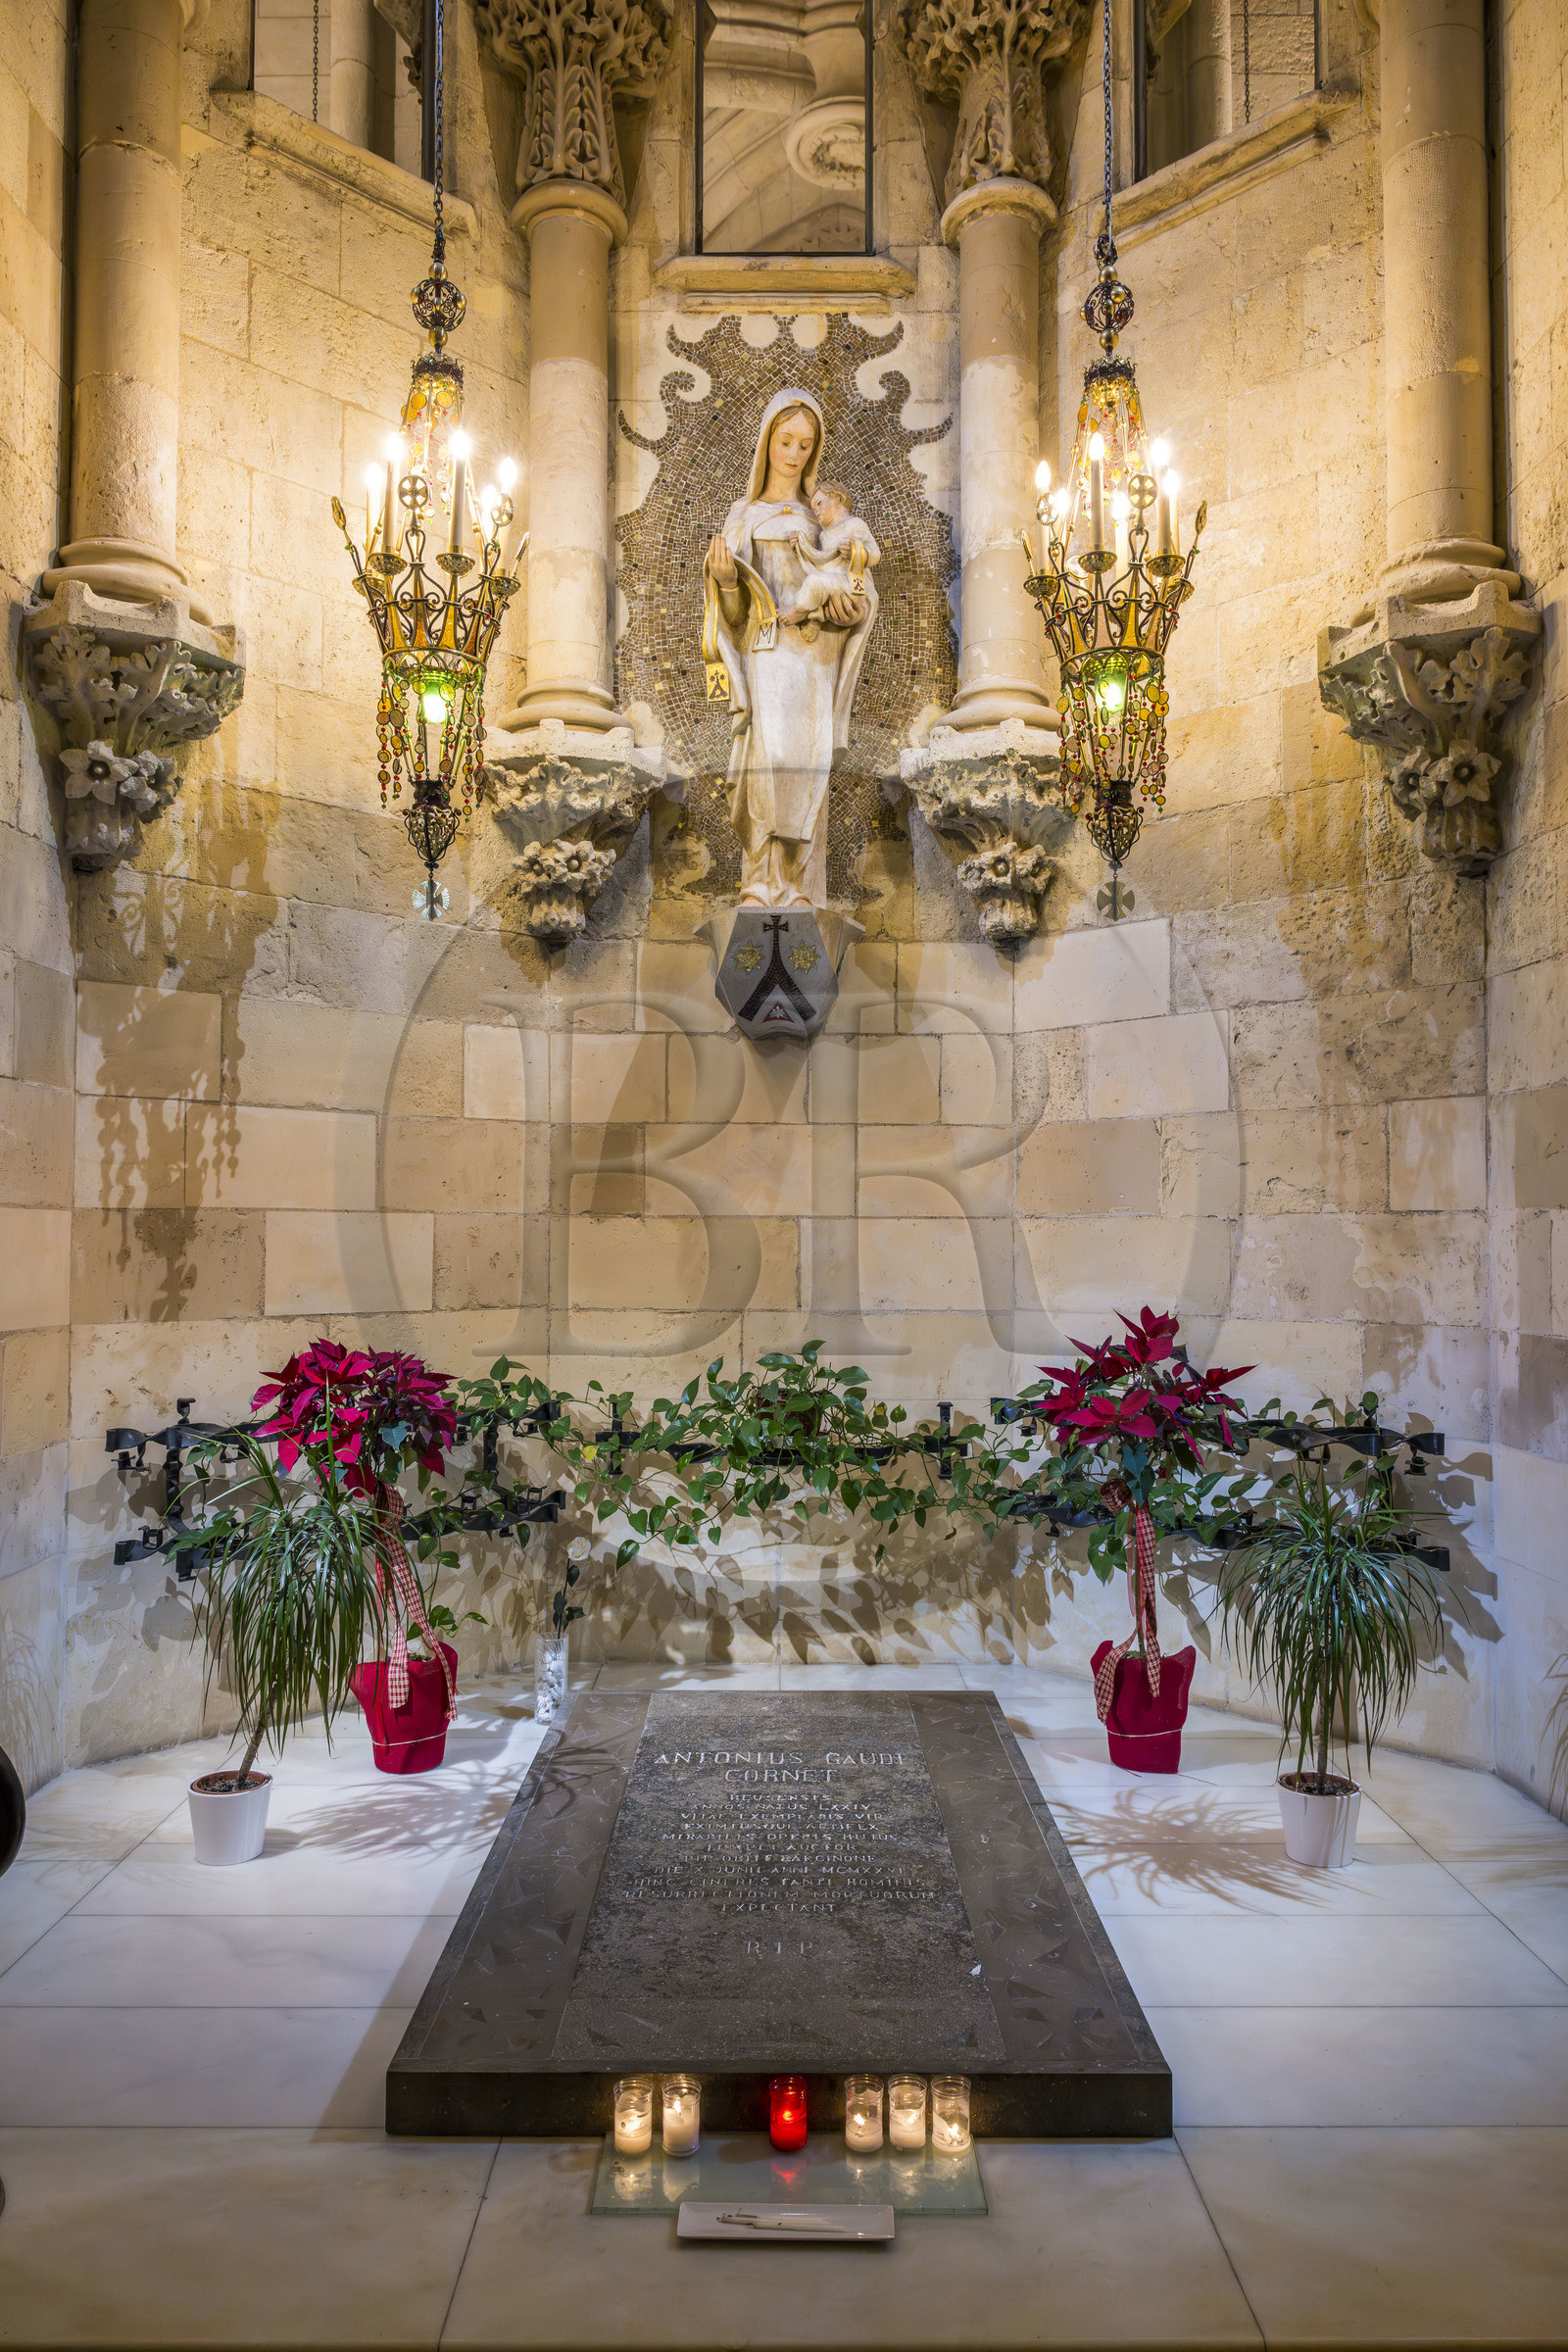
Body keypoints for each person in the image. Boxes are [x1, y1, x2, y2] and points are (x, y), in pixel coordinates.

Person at [702, 389, 878, 908]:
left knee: (808, 761)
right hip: (766, 648)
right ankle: (760, 882)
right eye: (785, 441)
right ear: (767, 442)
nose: (795, 454)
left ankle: (798, 885)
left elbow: (857, 582)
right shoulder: (744, 514)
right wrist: (726, 581)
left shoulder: (826, 519)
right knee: (770, 757)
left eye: (806, 445)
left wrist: (851, 610)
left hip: (816, 654)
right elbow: (732, 615)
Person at [779, 481, 881, 625]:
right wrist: (800, 547)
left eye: (819, 503)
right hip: (832, 584)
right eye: (814, 509)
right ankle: (814, 619)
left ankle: (797, 611)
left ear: (838, 498)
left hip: (851, 586)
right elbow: (821, 561)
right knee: (816, 583)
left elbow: (875, 553)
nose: (816, 511)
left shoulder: (854, 524)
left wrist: (855, 552)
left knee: (815, 582)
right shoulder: (824, 535)